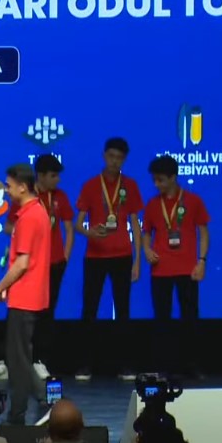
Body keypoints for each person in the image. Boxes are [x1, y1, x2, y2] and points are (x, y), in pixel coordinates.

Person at [0, 154, 74, 382]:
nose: (57, 180)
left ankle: (39, 362)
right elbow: (9, 227)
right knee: (16, 316)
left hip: (53, 264)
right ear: (40, 176)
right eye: (53, 176)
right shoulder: (25, 204)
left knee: (46, 314)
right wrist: (26, 232)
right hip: (30, 265)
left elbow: (68, 229)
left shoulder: (59, 197)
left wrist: (64, 256)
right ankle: (5, 362)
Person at [74, 137, 143, 381]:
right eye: (111, 156)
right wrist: (89, 232)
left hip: (123, 255)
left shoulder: (130, 185)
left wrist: (137, 260)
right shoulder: (91, 185)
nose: (115, 161)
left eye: (119, 158)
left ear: (124, 159)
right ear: (104, 156)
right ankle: (84, 364)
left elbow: (135, 223)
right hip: (95, 256)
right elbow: (77, 223)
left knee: (123, 311)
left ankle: (125, 365)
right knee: (89, 310)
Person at [0, 164, 50, 426]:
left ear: (23, 187)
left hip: (25, 297)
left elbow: (22, 263)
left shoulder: (28, 217)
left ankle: (19, 414)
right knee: (21, 357)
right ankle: (42, 403)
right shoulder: (37, 211)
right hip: (29, 296)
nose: (6, 189)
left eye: (9, 185)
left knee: (18, 360)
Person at [142, 155, 209, 375]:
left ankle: (192, 365)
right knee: (162, 321)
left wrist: (201, 261)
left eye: (160, 180)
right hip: (160, 270)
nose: (156, 184)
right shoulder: (153, 205)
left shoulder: (193, 201)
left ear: (173, 177)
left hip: (187, 270)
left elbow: (203, 233)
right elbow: (146, 233)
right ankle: (163, 366)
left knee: (190, 319)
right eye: (154, 180)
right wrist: (147, 250)